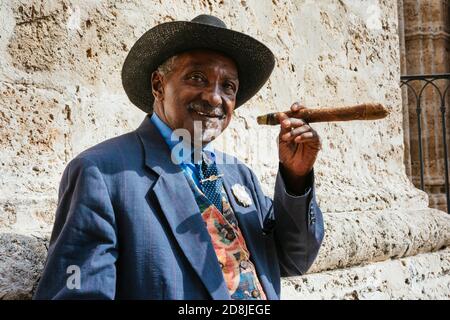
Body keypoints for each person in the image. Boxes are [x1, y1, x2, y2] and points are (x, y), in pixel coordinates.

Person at [34, 14, 324, 300]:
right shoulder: (102, 173)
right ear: (158, 85)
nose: (214, 97)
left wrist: (296, 177)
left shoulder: (239, 175)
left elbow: (294, 260)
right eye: (197, 78)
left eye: (228, 87)